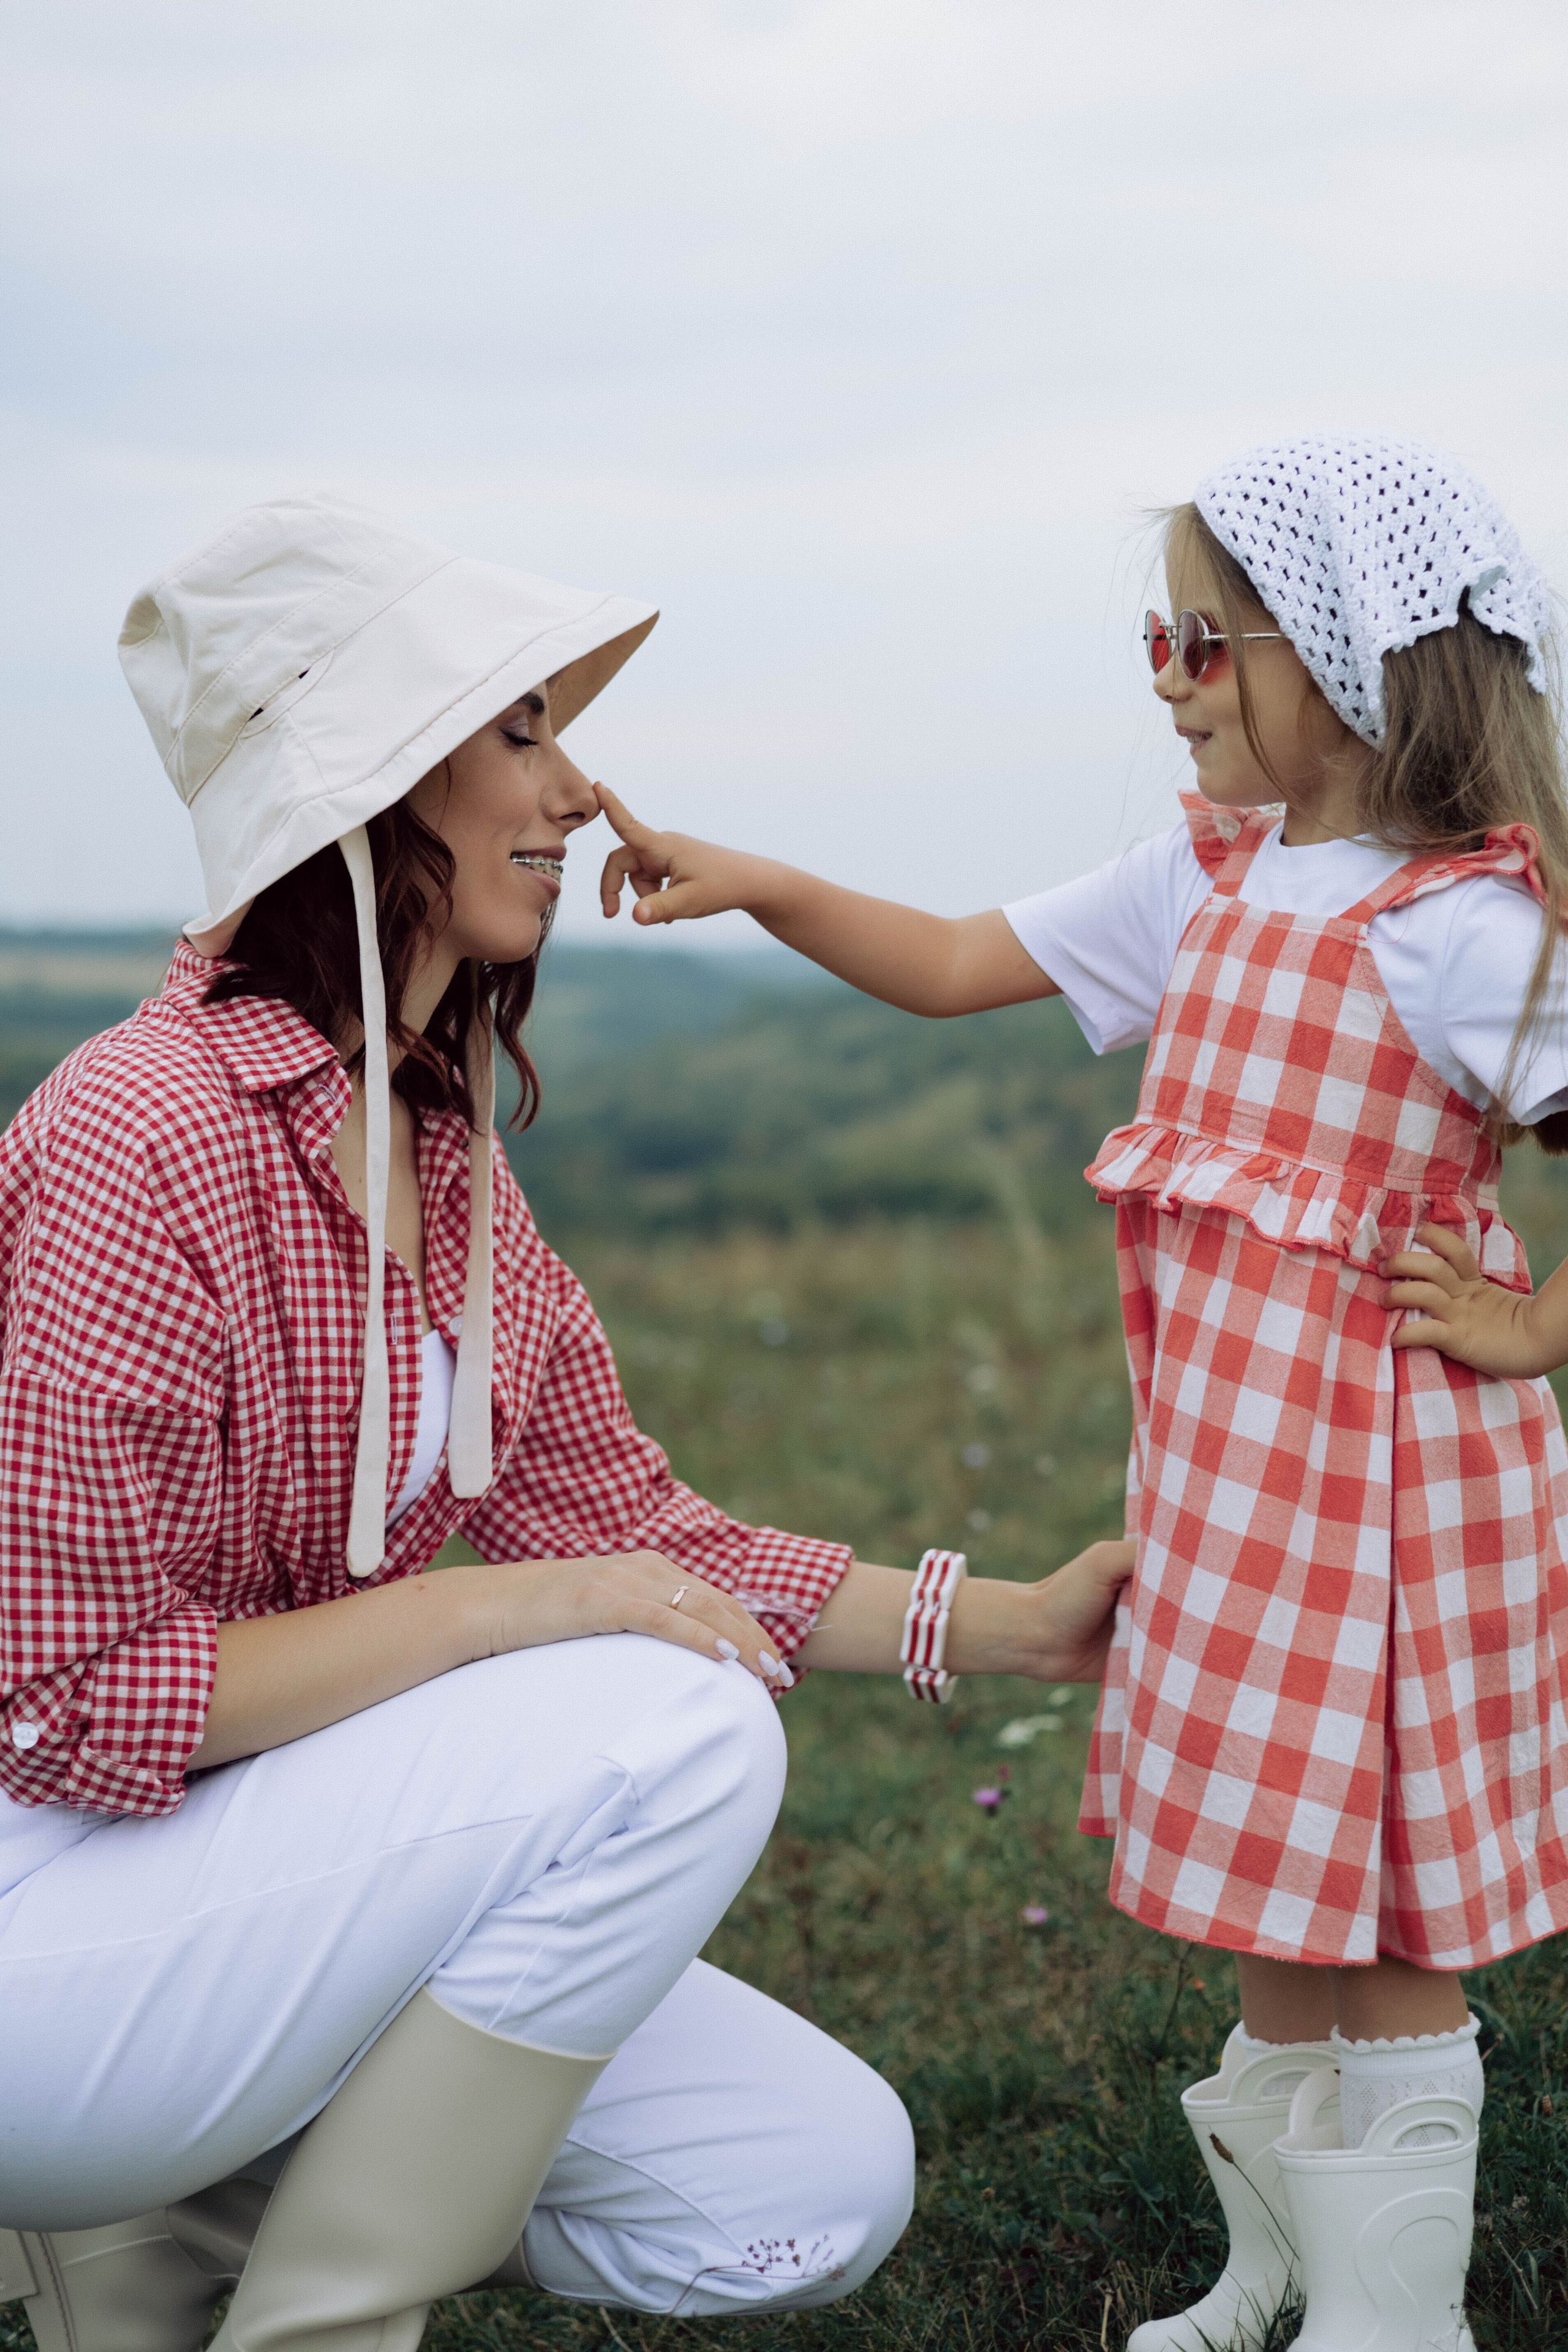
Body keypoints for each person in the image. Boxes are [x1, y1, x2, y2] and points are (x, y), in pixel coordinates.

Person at [0, 494, 1133, 2352]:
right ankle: (312, 2322)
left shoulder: (444, 1168)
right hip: (47, 1924)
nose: (579, 791)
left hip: (237, 1884)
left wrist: (1012, 1620)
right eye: (519, 734)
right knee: (671, 1730)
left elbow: (638, 1529)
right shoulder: (146, 1131)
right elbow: (63, 1700)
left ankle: (173, 2231)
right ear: (373, 791)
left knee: (810, 2179)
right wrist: (502, 1609)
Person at [590, 435, 1568, 2352]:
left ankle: (1401, 2315)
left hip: (1387, 1501)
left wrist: (1535, 1332)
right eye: (1162, 637)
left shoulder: (1463, 926)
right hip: (1231, 1481)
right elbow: (960, 962)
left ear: (1350, 665)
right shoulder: (1214, 880)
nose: (1164, 679)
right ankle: (1277, 2264)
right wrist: (770, 879)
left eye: (1201, 642)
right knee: (1277, 1891)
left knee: (1381, 1914)